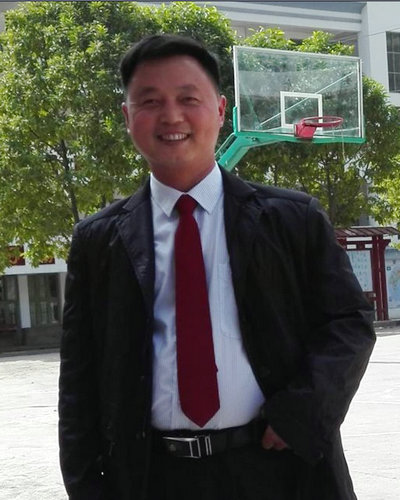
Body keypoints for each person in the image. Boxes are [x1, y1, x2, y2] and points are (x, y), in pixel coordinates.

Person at [58, 34, 376, 500]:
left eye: (189, 99)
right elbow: (79, 380)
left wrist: (303, 412)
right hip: (152, 477)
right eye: (150, 101)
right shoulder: (98, 240)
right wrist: (87, 487)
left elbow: (349, 322)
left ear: (222, 110)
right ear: (127, 117)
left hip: (277, 469)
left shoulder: (292, 220)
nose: (171, 116)